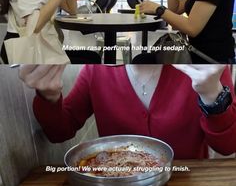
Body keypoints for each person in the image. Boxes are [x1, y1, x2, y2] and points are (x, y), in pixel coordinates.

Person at [18, 64, 236, 160]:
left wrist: (212, 95)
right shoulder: (96, 70)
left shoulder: (202, 68)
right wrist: (49, 96)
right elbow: (60, 132)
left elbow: (228, 146)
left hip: (187, 185)